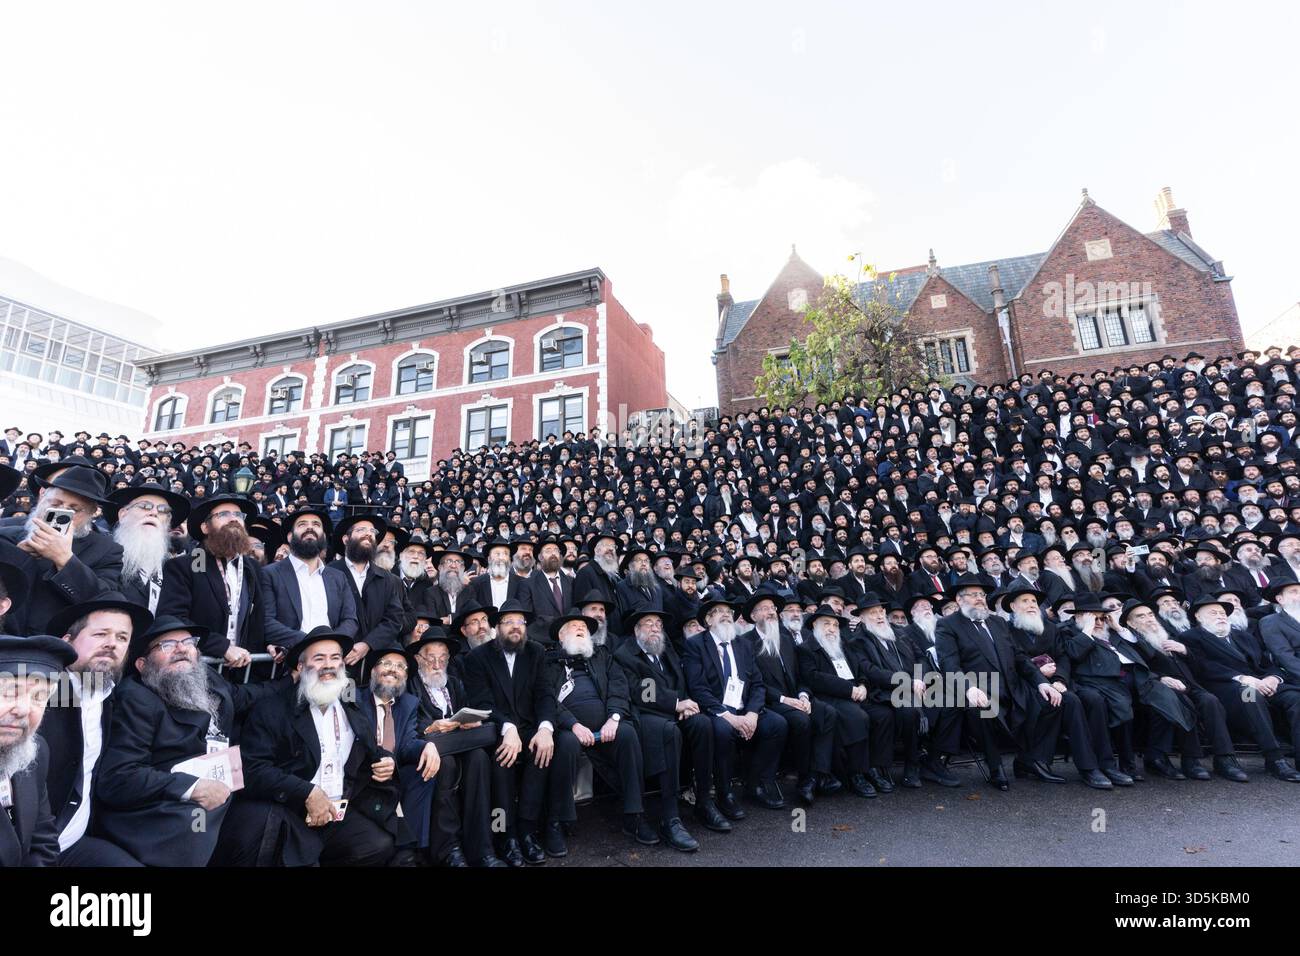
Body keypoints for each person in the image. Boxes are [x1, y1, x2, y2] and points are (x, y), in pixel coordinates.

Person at [217, 626, 410, 865]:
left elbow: (368, 748)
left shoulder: (351, 708)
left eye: (335, 658)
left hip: (336, 810)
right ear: (300, 667)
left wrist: (385, 760)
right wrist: (306, 793)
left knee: (376, 845)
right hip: (291, 811)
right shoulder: (272, 709)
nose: (328, 665)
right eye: (319, 658)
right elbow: (252, 768)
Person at [95, 616, 277, 865]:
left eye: (188, 642)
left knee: (264, 821)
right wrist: (192, 788)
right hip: (163, 806)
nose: (181, 649)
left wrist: (292, 680)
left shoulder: (206, 678)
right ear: (141, 664)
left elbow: (242, 696)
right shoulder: (136, 698)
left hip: (220, 793)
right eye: (166, 645)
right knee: (195, 828)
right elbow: (118, 778)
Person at [40, 596, 153, 865]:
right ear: (67, 641)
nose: (112, 643)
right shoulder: (41, 694)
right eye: (101, 633)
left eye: (123, 638)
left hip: (72, 844)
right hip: (28, 849)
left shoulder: (110, 698)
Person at [935, 575, 1072, 791]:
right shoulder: (948, 625)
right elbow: (949, 665)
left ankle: (1031, 760)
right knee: (982, 710)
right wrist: (969, 689)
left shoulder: (997, 622)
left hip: (1012, 685)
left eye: (982, 594)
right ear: (960, 600)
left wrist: (1041, 682)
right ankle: (995, 766)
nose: (980, 599)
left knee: (1053, 701)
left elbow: (1019, 657)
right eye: (973, 595)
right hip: (979, 688)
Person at [544, 610, 665, 850]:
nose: (580, 629)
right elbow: (545, 698)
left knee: (628, 734)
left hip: (607, 722)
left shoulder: (602, 655)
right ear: (560, 635)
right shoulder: (548, 662)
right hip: (569, 728)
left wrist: (615, 717)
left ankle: (634, 814)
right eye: (573, 626)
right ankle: (558, 820)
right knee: (566, 743)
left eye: (584, 627)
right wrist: (573, 725)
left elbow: (619, 686)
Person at [460, 599, 562, 864]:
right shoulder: (477, 658)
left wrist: (545, 729)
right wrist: (507, 728)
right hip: (495, 730)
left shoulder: (537, 652)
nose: (516, 627)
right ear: (497, 627)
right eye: (509, 622)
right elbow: (482, 702)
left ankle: (527, 832)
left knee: (542, 751)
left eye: (520, 622)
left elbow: (546, 695)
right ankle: (506, 836)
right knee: (501, 760)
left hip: (530, 729)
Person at [403, 631, 502, 867]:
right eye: (431, 659)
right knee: (444, 764)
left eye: (443, 659)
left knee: (479, 758)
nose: (437, 665)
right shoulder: (410, 686)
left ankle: (482, 849)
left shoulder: (455, 683)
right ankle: (449, 850)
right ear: (418, 659)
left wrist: (471, 721)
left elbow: (468, 710)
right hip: (431, 749)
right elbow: (408, 724)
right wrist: (431, 727)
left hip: (462, 745)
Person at [683, 597, 788, 814]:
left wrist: (751, 714)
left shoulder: (744, 644)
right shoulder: (696, 645)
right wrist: (729, 716)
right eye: (718, 611)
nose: (725, 615)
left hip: (744, 708)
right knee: (722, 731)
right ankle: (724, 792)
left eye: (728, 611)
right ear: (708, 620)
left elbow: (758, 684)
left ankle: (755, 783)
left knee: (777, 724)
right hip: (716, 711)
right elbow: (698, 688)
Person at [1181, 595, 1300, 782]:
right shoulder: (1191, 637)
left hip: (1263, 682)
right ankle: (1274, 758)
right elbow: (1204, 667)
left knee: (1295, 698)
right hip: (1227, 688)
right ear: (1198, 616)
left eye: (1222, 613)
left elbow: (1265, 663)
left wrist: (1273, 677)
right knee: (1250, 695)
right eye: (1213, 613)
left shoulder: (1242, 636)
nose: (1220, 616)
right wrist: (1245, 679)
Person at [0, 465, 123, 635]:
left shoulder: (107, 550)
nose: (61, 512)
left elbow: (103, 600)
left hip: (56, 646)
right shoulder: (6, 536)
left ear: (92, 512)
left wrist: (65, 560)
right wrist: (18, 557)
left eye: (73, 509)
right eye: (55, 504)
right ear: (42, 500)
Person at [740, 589, 838, 803]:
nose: (770, 612)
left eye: (773, 608)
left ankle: (816, 775)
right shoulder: (746, 643)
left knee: (827, 712)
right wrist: (785, 700)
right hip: (770, 701)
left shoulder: (785, 639)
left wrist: (803, 695)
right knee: (801, 720)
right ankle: (805, 779)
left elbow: (800, 675)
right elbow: (754, 684)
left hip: (795, 698)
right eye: (764, 609)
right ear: (753, 616)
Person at [157, 495, 266, 667]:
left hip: (241, 669)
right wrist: (222, 647)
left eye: (238, 515)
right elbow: (174, 618)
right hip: (198, 667)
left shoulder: (251, 568)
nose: (233, 519)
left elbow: (261, 618)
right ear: (205, 527)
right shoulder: (192, 563)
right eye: (223, 514)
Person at [0, 636, 77, 866]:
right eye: (8, 692)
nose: (23, 709)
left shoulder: (36, 751)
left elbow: (44, 842)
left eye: (38, 697)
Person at [259, 508, 359, 657]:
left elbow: (350, 620)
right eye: (302, 524)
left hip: (331, 661)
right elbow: (266, 622)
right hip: (289, 663)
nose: (310, 527)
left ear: (324, 536)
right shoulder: (270, 574)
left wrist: (331, 644)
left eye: (316, 525)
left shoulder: (338, 577)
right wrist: (311, 643)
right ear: (290, 536)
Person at [328, 514, 406, 659]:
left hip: (377, 654)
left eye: (372, 531)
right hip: (337, 654)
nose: (368, 534)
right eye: (361, 530)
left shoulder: (386, 578)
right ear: (346, 539)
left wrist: (368, 644)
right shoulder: (328, 573)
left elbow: (394, 618)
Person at [108, 483, 190, 614]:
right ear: (123, 515)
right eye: (145, 506)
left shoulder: (174, 568)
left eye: (163, 510)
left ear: (168, 522)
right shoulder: (103, 555)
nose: (154, 513)